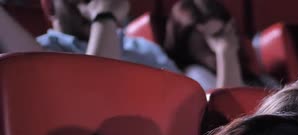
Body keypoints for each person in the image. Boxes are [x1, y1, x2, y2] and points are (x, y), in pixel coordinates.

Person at [0, 0, 178, 71]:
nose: (91, 5)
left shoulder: (145, 48)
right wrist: (104, 16)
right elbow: (95, 91)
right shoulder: (42, 51)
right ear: (51, 7)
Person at [164, 0, 278, 91]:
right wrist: (225, 52)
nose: (215, 45)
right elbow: (230, 112)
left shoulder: (256, 76)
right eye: (205, 41)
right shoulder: (195, 76)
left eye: (221, 34)